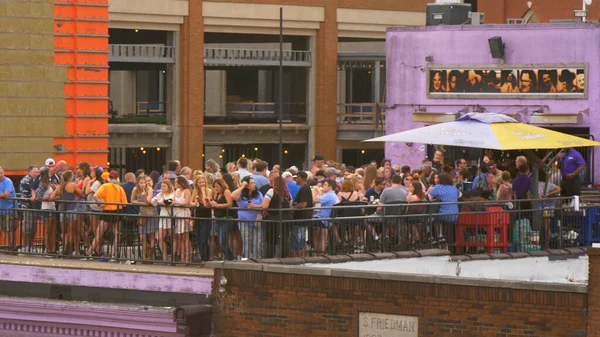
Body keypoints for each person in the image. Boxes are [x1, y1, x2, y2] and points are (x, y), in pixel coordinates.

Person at [88, 170, 127, 259]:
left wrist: (99, 204)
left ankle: (89, 253)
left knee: (99, 234)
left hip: (107, 212)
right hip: (118, 212)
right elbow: (124, 204)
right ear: (117, 178)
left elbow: (95, 196)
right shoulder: (120, 188)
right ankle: (113, 255)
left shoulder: (105, 186)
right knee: (116, 234)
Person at [231, 176, 264, 259]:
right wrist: (242, 186)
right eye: (251, 183)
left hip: (256, 221)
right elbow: (233, 196)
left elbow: (263, 205)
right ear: (247, 185)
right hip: (244, 221)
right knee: (247, 242)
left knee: (257, 242)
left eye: (254, 183)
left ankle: (257, 259)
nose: (254, 185)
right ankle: (248, 259)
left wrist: (255, 206)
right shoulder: (241, 194)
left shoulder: (258, 194)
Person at [52, 171, 83, 256]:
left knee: (63, 231)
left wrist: (60, 199)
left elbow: (52, 197)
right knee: (71, 231)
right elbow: (81, 193)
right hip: (71, 210)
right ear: (70, 177)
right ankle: (69, 250)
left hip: (62, 211)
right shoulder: (72, 185)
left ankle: (65, 247)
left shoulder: (60, 187)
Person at [428, 172, 462, 244]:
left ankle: (438, 235)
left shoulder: (437, 187)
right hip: (454, 214)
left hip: (442, 215)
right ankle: (441, 236)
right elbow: (460, 195)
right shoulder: (453, 187)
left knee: (433, 218)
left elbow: (429, 198)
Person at [32, 167, 57, 254]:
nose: (51, 173)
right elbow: (39, 197)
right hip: (46, 208)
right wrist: (49, 197)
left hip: (52, 207)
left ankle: (53, 249)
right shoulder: (42, 184)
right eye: (49, 172)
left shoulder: (50, 183)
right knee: (48, 230)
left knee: (53, 230)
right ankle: (48, 249)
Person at [131, 174, 156, 261]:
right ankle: (146, 254)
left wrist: (144, 196)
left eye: (144, 182)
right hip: (142, 212)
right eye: (141, 183)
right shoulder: (135, 189)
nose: (143, 184)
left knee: (152, 234)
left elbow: (148, 202)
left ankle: (151, 255)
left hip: (151, 213)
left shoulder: (149, 189)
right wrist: (140, 203)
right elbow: (132, 200)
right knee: (142, 235)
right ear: (137, 183)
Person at [311, 179, 338, 255]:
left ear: (330, 186)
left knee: (318, 236)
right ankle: (321, 252)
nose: (323, 186)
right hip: (327, 219)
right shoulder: (333, 195)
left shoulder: (329, 195)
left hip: (322, 218)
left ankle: (319, 252)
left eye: (325, 185)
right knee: (323, 236)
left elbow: (315, 200)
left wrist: (313, 190)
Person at [191, 174, 213, 262]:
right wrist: (195, 202)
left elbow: (205, 203)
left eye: (203, 182)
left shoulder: (209, 190)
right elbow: (191, 202)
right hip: (198, 217)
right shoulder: (195, 191)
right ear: (196, 183)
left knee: (204, 239)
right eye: (199, 182)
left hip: (206, 216)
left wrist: (203, 192)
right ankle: (202, 258)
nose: (201, 184)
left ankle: (206, 258)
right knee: (199, 238)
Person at [210, 178, 234, 260]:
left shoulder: (226, 192)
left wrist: (218, 205)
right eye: (215, 187)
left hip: (225, 218)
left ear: (221, 185)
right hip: (217, 218)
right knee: (220, 240)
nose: (216, 188)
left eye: (217, 186)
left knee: (223, 240)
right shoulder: (216, 194)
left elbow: (230, 204)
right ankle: (227, 257)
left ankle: (230, 258)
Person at [152, 179, 175, 261]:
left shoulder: (173, 194)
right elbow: (152, 201)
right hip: (162, 216)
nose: (162, 188)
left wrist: (161, 202)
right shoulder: (160, 194)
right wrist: (159, 202)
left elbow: (169, 202)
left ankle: (174, 256)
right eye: (161, 186)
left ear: (169, 186)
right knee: (160, 237)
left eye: (164, 186)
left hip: (170, 217)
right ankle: (164, 256)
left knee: (173, 237)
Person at [291, 171, 313, 257]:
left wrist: (293, 208)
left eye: (297, 177)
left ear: (301, 178)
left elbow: (303, 204)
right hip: (302, 217)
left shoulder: (305, 188)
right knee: (301, 237)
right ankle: (301, 255)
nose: (295, 179)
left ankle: (300, 255)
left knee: (299, 237)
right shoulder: (304, 188)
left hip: (301, 217)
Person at [20, 165, 39, 252]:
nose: (37, 173)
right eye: (35, 172)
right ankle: (26, 245)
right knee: (27, 226)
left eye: (38, 172)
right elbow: (26, 195)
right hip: (27, 206)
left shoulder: (37, 180)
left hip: (34, 206)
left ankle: (31, 245)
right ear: (30, 172)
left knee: (33, 227)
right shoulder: (25, 180)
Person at [173, 176, 192, 263]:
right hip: (177, 214)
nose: (175, 184)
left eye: (176, 182)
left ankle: (187, 258)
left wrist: (176, 203)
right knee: (179, 237)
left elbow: (186, 202)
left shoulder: (187, 191)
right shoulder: (176, 191)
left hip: (184, 214)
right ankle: (181, 258)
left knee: (185, 237)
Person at [0, 167, 17, 250]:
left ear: (3, 173)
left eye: (1, 173)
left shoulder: (7, 181)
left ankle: (12, 247)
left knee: (10, 229)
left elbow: (7, 194)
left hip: (10, 208)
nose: (0, 175)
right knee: (4, 229)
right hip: (2, 209)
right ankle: (8, 246)